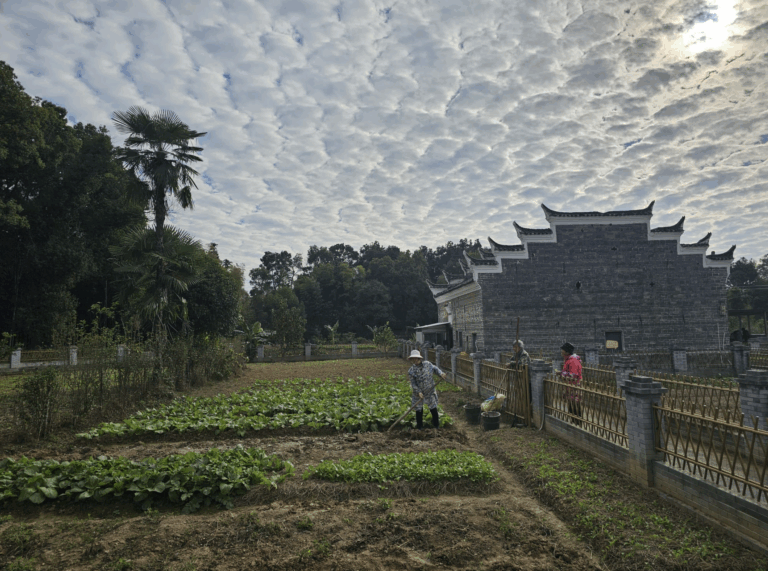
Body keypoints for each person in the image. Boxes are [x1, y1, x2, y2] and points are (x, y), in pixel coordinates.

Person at [407, 349, 447, 429]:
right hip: (418, 393)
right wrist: (418, 392)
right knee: (419, 410)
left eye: (416, 358)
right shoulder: (411, 371)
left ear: (419, 358)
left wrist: (441, 373)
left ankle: (436, 426)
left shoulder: (428, 364)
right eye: (413, 359)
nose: (415, 360)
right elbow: (413, 384)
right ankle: (419, 427)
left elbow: (435, 369)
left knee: (433, 408)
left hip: (430, 391)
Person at [560, 342, 582, 424]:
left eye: (562, 350)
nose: (561, 351)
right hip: (569, 387)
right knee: (571, 405)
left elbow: (574, 375)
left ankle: (577, 422)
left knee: (575, 405)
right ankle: (574, 421)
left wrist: (563, 374)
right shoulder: (567, 360)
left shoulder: (573, 361)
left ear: (566, 352)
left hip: (573, 387)